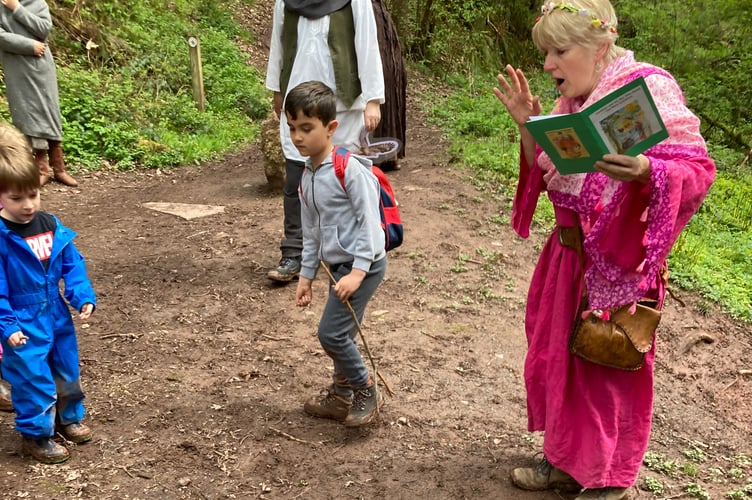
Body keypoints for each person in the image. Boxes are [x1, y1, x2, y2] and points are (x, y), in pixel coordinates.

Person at [493, 1, 715, 499]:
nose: (548, 64)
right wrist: (529, 126)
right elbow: (544, 172)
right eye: (545, 52)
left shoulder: (649, 89)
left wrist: (647, 172)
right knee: (560, 361)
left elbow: (697, 171)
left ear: (598, 48)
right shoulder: (568, 107)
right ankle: (564, 460)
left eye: (558, 51)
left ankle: (608, 480)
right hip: (567, 258)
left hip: (619, 266)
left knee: (606, 368)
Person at [288, 81, 387, 427]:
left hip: (365, 264)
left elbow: (370, 225)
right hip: (338, 266)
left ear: (330, 128)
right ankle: (340, 396)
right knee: (339, 331)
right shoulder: (307, 177)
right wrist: (305, 276)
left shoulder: (350, 170)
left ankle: (365, 389)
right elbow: (311, 232)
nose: (297, 137)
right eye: (291, 128)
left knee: (331, 334)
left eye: (306, 128)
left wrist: (358, 272)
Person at [265, 0, 385, 283]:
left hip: (342, 104)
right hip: (297, 102)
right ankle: (294, 253)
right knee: (296, 182)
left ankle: (352, 250)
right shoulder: (286, 1)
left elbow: (366, 43)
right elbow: (278, 42)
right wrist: (276, 89)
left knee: (344, 178)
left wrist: (373, 99)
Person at [0, 123, 96, 464]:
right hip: (22, 322)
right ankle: (36, 435)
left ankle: (68, 417)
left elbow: (72, 264)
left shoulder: (51, 226)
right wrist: (7, 326)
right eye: (16, 198)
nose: (28, 205)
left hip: (56, 313)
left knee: (66, 368)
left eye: (33, 195)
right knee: (32, 379)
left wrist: (82, 294)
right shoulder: (2, 238)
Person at [0, 0, 78, 187]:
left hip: (41, 66)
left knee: (50, 111)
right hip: (18, 69)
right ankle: (42, 169)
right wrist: (29, 45)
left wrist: (16, 9)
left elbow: (44, 28)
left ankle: (59, 168)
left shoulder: (37, 2)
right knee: (28, 114)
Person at [370, 0, 406, 171]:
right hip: (365, 15)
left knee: (388, 78)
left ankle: (389, 153)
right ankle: (374, 154)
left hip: (379, 19)